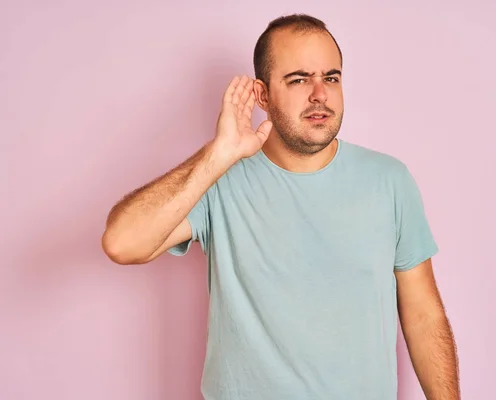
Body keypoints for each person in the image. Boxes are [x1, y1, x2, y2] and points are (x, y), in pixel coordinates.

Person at [102, 13, 460, 400]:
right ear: (262, 95)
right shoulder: (218, 181)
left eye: (331, 78)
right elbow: (122, 243)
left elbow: (424, 314)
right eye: (299, 79)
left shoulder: (390, 181)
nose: (320, 94)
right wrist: (218, 155)